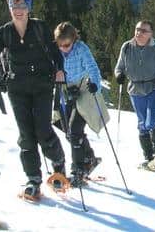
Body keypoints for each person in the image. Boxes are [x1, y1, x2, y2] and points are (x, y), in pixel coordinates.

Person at [0, 0, 67, 200]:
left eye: (22, 6)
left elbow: (55, 53)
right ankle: (33, 179)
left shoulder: (40, 27)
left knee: (43, 130)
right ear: (10, 9)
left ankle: (58, 164)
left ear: (29, 8)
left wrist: (60, 70)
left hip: (42, 86)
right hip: (17, 88)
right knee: (26, 134)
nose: (19, 11)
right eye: (15, 7)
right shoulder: (4, 32)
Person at [53, 22, 109, 187]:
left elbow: (92, 68)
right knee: (64, 126)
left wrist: (95, 84)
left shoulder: (81, 48)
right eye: (60, 45)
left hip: (84, 88)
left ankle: (78, 169)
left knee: (74, 129)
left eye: (67, 45)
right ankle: (89, 158)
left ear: (74, 39)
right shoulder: (55, 50)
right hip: (66, 90)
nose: (63, 48)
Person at [114, 20, 155, 171]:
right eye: (137, 29)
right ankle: (148, 157)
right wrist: (119, 75)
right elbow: (119, 66)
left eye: (143, 31)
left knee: (152, 118)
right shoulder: (127, 47)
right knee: (142, 123)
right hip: (135, 87)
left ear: (150, 34)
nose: (139, 33)